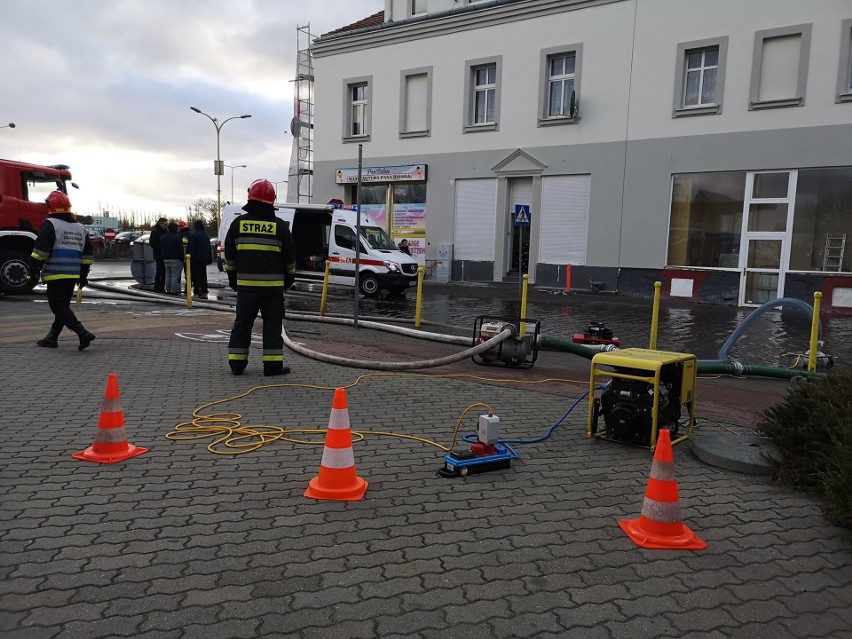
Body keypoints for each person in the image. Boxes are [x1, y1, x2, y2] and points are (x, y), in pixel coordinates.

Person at [224, 178, 296, 376]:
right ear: (272, 201)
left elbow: (229, 257)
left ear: (250, 198)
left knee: (242, 324)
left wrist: (233, 279)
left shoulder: (238, 224)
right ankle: (272, 366)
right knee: (272, 325)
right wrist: (288, 281)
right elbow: (290, 261)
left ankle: (237, 365)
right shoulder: (280, 227)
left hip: (246, 288)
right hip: (273, 289)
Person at [28, 191, 96, 350]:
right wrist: (83, 275)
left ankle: (82, 332)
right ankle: (52, 338)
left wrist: (32, 269)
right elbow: (87, 255)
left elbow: (41, 250)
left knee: (58, 307)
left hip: (55, 273)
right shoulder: (81, 228)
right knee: (63, 306)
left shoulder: (50, 224)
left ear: (50, 207)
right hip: (73, 274)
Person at [187, 219, 212, 298]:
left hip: (195, 259)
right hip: (204, 258)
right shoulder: (206, 235)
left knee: (196, 275)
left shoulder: (194, 235)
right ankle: (204, 291)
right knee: (203, 275)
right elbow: (209, 248)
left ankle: (197, 291)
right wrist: (209, 258)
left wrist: (189, 257)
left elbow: (191, 248)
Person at [160, 222, 184, 294]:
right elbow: (180, 250)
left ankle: (168, 289)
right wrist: (181, 259)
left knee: (168, 275)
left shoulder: (163, 237)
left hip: (166, 259)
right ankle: (173, 291)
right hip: (175, 259)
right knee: (175, 276)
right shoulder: (177, 237)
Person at [149, 217, 168, 293]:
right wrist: (161, 249)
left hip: (165, 254)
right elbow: (152, 243)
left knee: (164, 272)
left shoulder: (166, 231)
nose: (166, 226)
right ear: (160, 223)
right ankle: (157, 287)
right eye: (165, 224)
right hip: (159, 255)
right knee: (160, 271)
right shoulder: (155, 231)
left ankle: (162, 286)